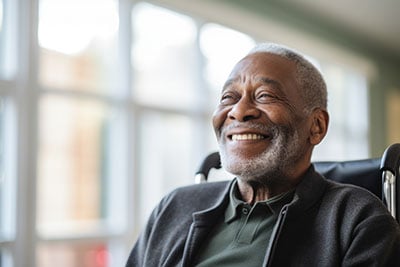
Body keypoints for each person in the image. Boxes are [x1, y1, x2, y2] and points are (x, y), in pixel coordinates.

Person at [125, 43, 400, 266]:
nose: (239, 111)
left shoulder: (358, 219)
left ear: (316, 127)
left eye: (265, 95)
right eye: (228, 97)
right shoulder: (173, 208)